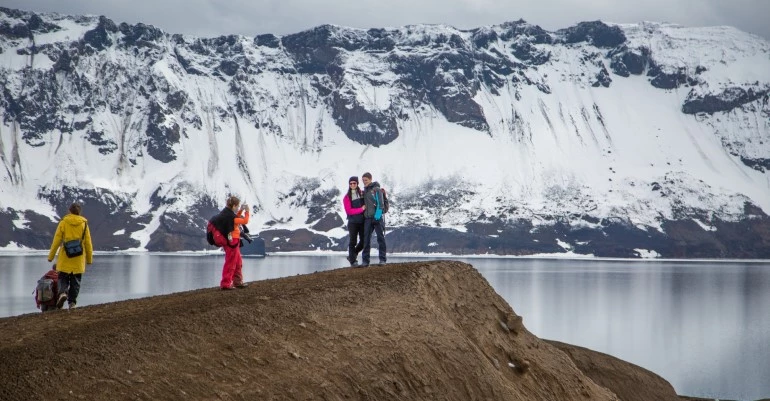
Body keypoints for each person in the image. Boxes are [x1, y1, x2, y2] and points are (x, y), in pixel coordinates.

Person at [47, 202, 93, 310]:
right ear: (79, 212)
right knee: (75, 282)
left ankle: (62, 293)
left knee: (62, 278)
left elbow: (57, 240)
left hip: (65, 256)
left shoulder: (64, 222)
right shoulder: (84, 224)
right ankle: (72, 303)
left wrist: (51, 256)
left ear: (69, 211)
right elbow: (88, 243)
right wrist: (89, 259)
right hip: (78, 257)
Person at [211, 195, 250, 290]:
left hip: (232, 241)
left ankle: (237, 281)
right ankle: (226, 284)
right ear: (233, 206)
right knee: (231, 262)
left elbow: (235, 219)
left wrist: (240, 210)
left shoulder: (227, 214)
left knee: (237, 262)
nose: (237, 208)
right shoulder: (230, 216)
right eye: (237, 206)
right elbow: (245, 221)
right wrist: (247, 211)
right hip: (232, 242)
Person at [361, 172, 387, 266]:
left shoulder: (376, 189)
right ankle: (365, 261)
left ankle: (382, 260)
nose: (364, 182)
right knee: (366, 239)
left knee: (380, 239)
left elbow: (381, 204)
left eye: (366, 180)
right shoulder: (365, 190)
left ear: (370, 179)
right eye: (363, 180)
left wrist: (377, 217)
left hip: (377, 218)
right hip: (367, 218)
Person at [342, 176, 366, 266]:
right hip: (352, 222)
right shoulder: (347, 197)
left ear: (357, 183)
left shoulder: (362, 193)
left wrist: (381, 192)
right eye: (350, 183)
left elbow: (371, 196)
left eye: (354, 183)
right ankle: (353, 261)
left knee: (364, 241)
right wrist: (361, 209)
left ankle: (352, 255)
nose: (352, 185)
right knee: (353, 242)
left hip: (362, 221)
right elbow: (349, 211)